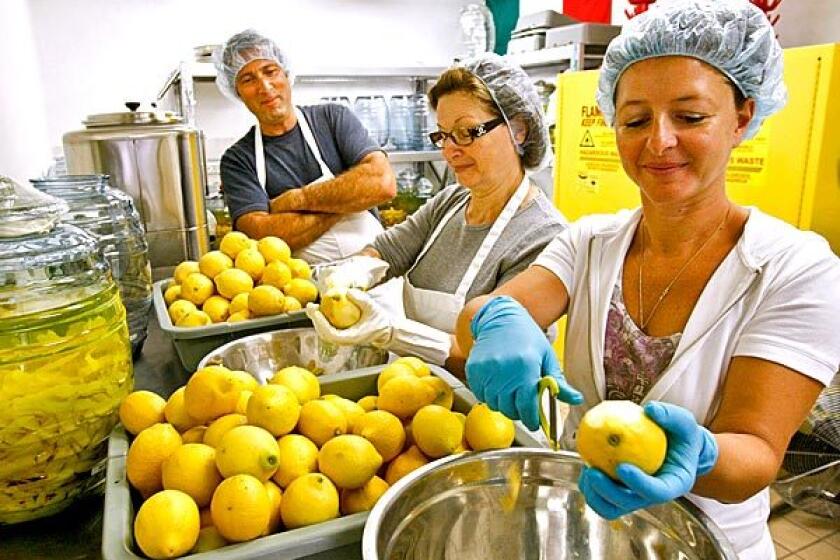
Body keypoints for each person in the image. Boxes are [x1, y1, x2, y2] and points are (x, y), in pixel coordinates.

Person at [455, 1, 840, 558]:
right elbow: (478, 318)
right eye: (635, 120)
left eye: (690, 117)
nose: (658, 141)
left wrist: (699, 456)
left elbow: (756, 454)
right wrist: (496, 320)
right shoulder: (588, 242)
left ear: (741, 116)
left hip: (705, 542)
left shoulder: (797, 269)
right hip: (583, 530)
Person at [304, 53, 566, 372]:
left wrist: (392, 332)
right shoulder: (451, 202)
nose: (449, 150)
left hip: (492, 410)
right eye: (442, 134)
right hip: (414, 390)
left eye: (467, 131)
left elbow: (488, 351)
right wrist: (351, 273)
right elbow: (387, 251)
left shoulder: (544, 237)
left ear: (519, 130)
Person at [214, 29, 395, 263]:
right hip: (299, 291)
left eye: (270, 71)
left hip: (376, 270)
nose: (265, 86)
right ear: (237, 92)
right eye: (248, 80)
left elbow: (382, 183)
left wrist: (295, 200)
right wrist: (347, 198)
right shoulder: (238, 160)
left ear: (286, 75)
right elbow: (259, 234)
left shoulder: (332, 119)